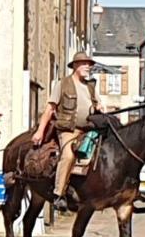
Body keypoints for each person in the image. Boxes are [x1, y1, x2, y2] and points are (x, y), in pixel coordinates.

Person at [32, 51, 103, 212]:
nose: (88, 67)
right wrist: (40, 132)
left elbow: (98, 104)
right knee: (68, 155)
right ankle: (58, 194)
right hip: (69, 130)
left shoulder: (91, 87)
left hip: (89, 130)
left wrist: (99, 107)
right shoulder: (63, 84)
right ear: (76, 66)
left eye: (90, 64)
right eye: (85, 64)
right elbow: (50, 109)